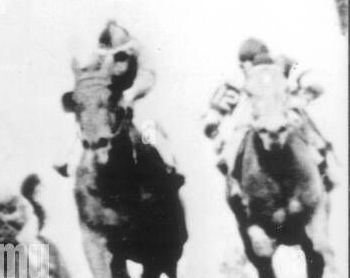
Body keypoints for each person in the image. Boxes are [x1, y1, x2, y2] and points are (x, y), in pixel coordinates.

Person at [55, 21, 181, 184]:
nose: (112, 59)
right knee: (86, 120)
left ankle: (168, 164)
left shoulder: (139, 52)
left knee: (147, 124)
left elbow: (148, 75)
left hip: (135, 97)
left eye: (118, 55)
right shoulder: (98, 56)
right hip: (109, 101)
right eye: (107, 53)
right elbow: (90, 77)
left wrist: (131, 93)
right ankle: (67, 160)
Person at [204, 37, 335, 189]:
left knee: (307, 132)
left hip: (284, 112)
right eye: (246, 63)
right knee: (233, 140)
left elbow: (311, 79)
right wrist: (213, 121)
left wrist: (301, 96)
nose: (248, 67)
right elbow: (220, 103)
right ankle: (235, 181)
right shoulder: (239, 78)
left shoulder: (283, 65)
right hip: (254, 118)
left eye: (249, 62)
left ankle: (323, 170)